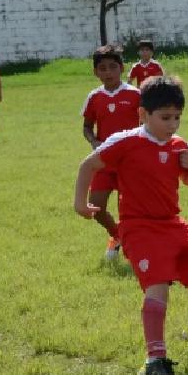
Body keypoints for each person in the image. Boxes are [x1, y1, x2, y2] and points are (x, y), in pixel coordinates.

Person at [73, 75, 188, 375]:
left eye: (177, 118)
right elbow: (87, 166)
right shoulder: (126, 141)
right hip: (138, 229)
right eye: (165, 118)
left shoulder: (178, 146)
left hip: (173, 224)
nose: (172, 125)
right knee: (157, 287)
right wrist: (81, 203)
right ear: (143, 114)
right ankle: (155, 360)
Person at [80, 44, 143, 261]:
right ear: (95, 72)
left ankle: (136, 247)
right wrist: (94, 141)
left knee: (129, 210)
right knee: (95, 207)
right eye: (102, 68)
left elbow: (147, 125)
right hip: (104, 161)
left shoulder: (136, 95)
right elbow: (87, 126)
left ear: (122, 68)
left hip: (130, 163)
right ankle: (117, 236)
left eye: (112, 67)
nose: (108, 72)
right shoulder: (94, 97)